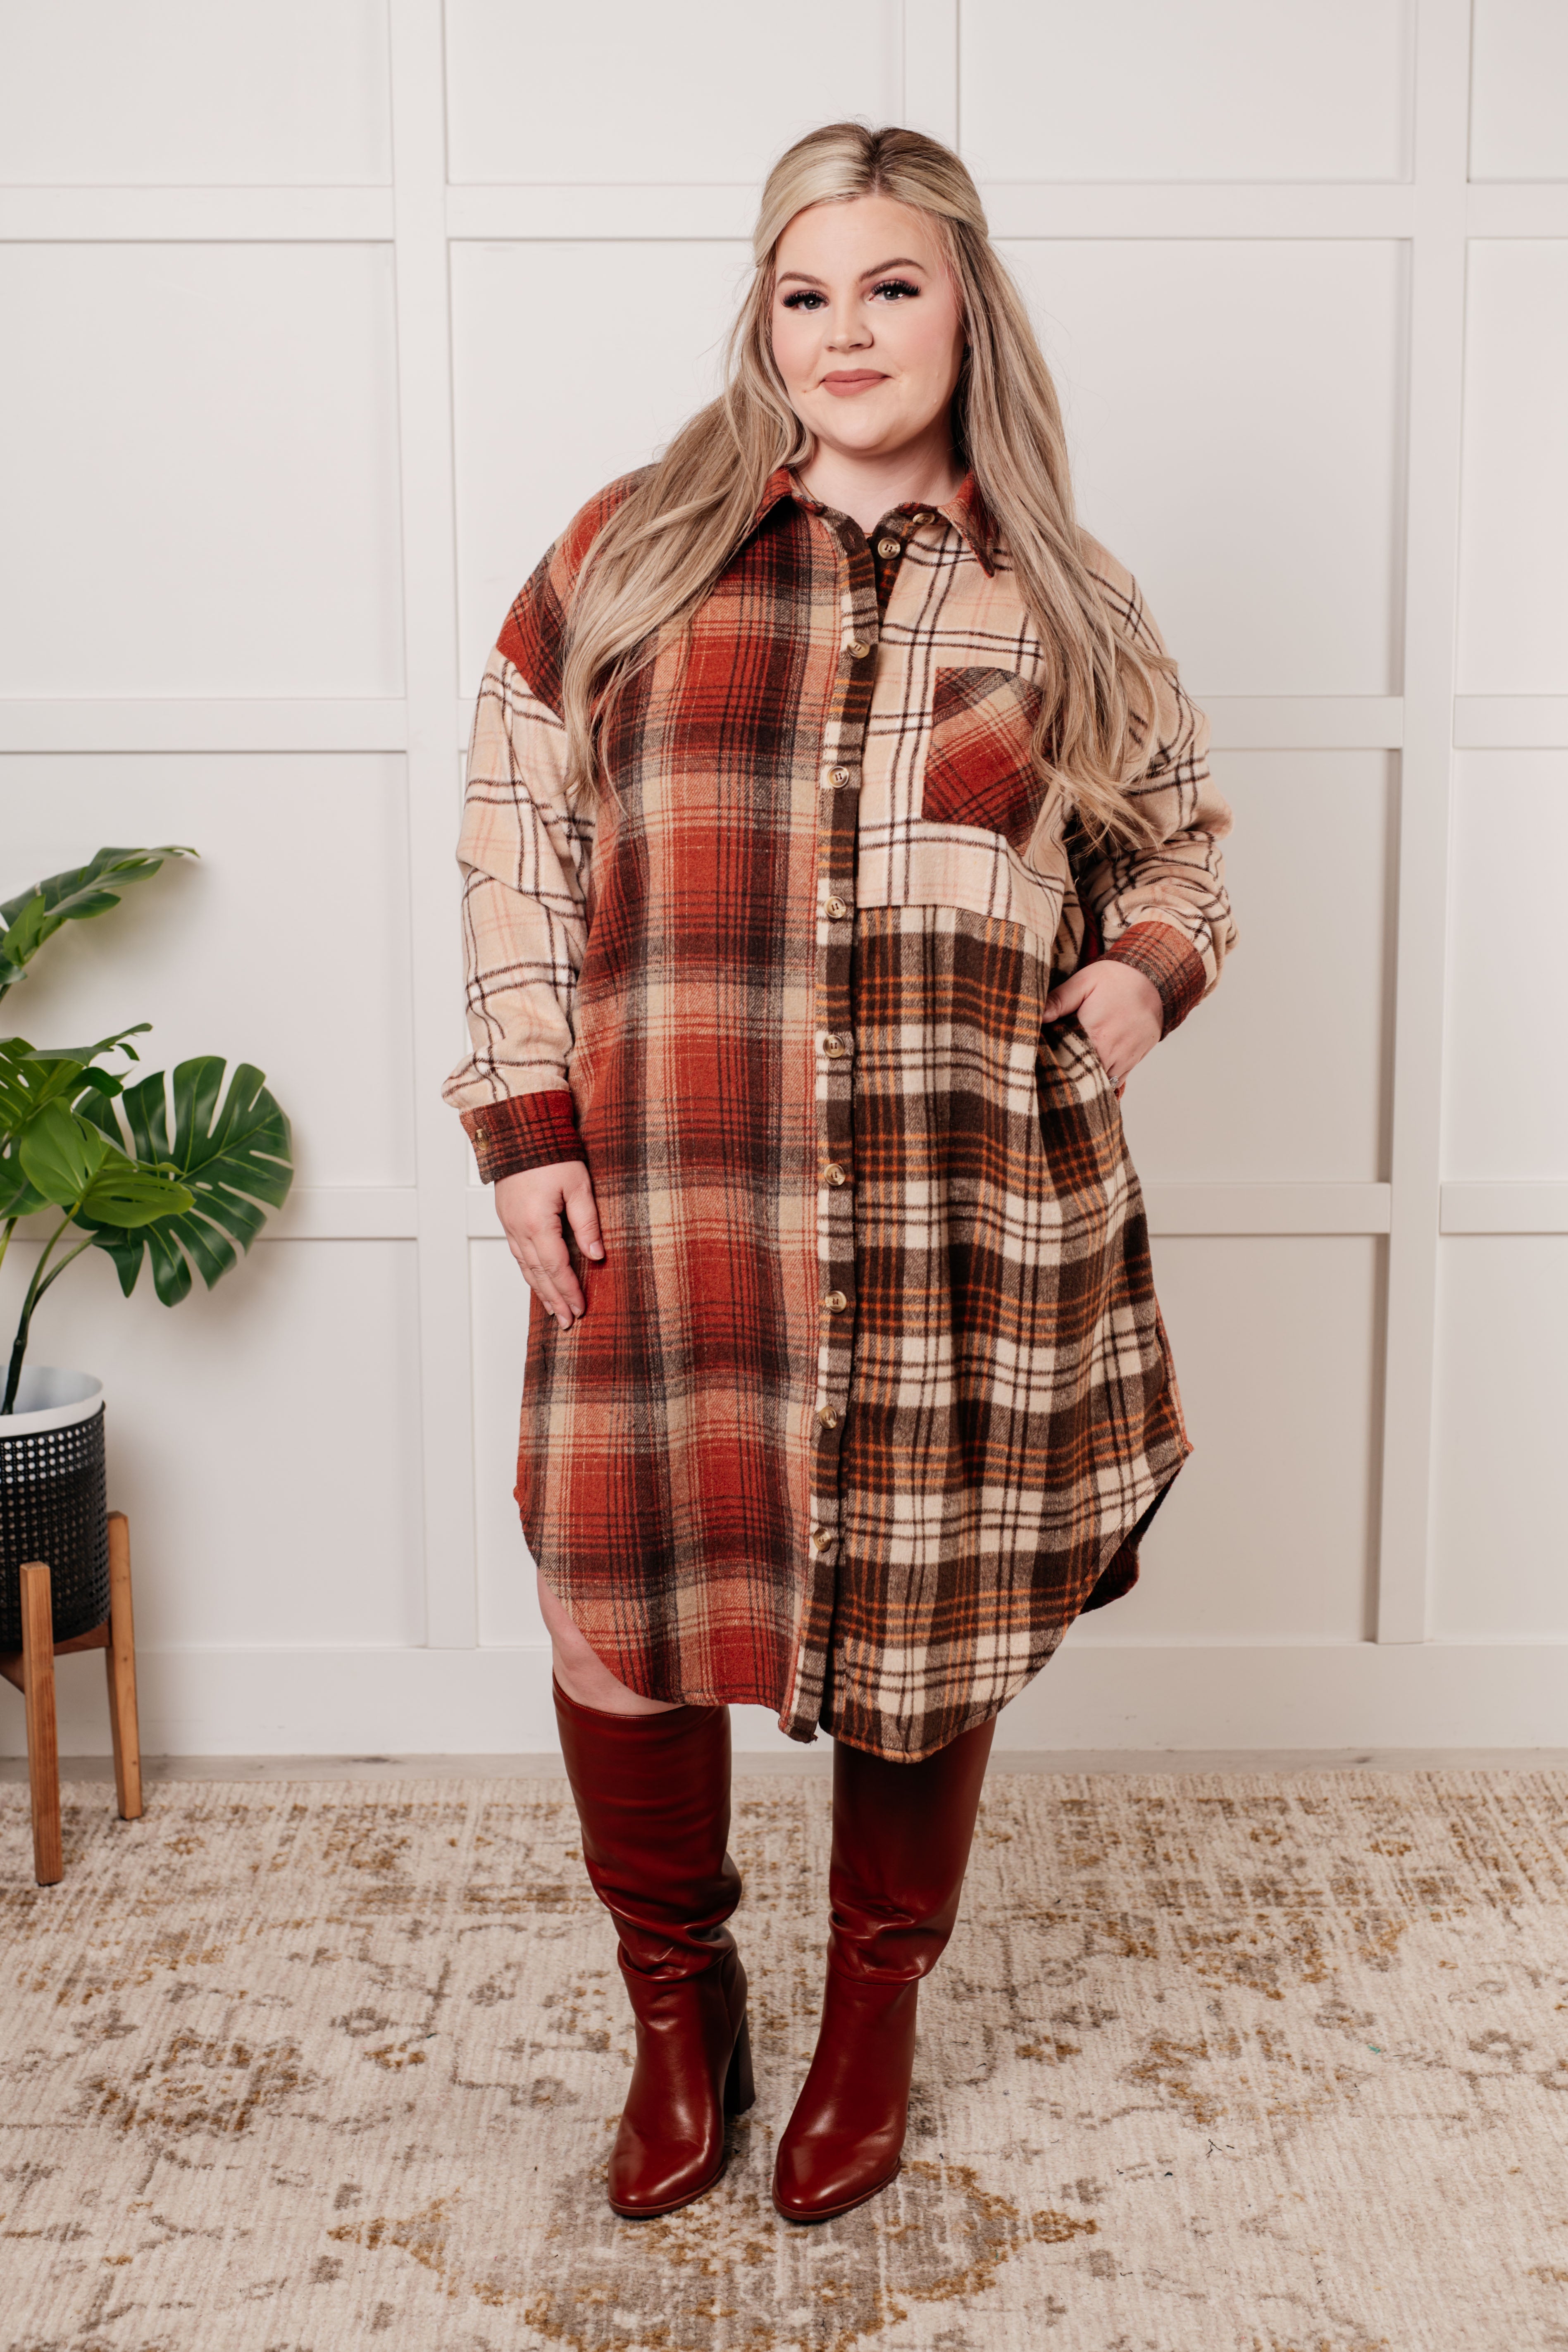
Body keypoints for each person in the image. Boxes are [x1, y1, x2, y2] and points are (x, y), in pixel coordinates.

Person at [444, 120, 1235, 2227]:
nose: (845, 330)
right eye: (807, 291)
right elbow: (519, 841)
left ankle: (871, 2016)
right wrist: (525, 1125)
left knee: (922, 1616)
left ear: (964, 303)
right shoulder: (626, 552)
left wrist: (1144, 980)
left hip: (954, 1202)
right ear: (761, 315)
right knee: (613, 1603)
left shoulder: (1061, 593)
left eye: (889, 285)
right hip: (678, 1190)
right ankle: (675, 2012)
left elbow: (1181, 845)